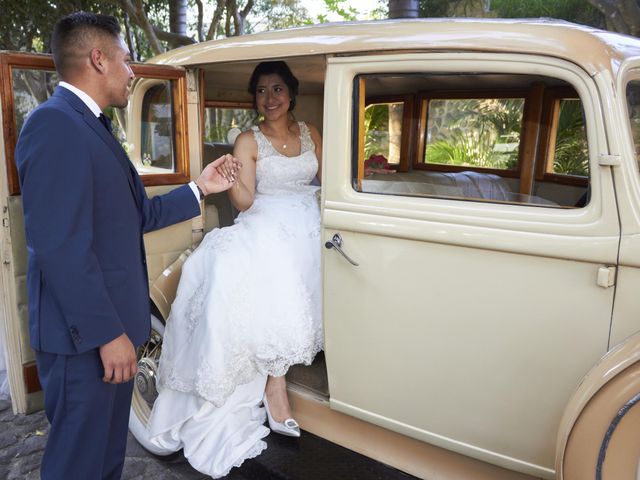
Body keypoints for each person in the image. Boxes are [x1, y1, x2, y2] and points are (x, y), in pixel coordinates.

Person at [14, 12, 238, 480]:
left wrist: (200, 188)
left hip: (111, 332)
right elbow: (60, 248)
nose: (133, 71)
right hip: (85, 341)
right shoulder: (54, 125)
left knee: (105, 459)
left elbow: (133, 216)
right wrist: (106, 335)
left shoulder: (91, 125)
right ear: (98, 58)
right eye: (127, 59)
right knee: (77, 463)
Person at [148, 60, 324, 477]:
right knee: (255, 269)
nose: (270, 99)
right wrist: (230, 180)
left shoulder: (312, 133)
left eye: (277, 89)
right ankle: (273, 382)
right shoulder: (249, 139)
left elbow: (329, 181)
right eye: (261, 91)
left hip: (312, 220)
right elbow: (244, 202)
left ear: (291, 93)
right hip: (266, 222)